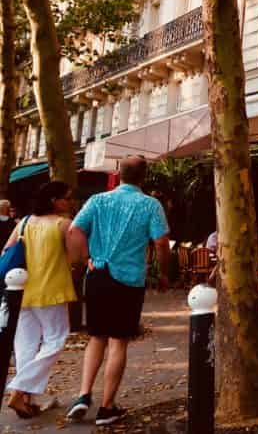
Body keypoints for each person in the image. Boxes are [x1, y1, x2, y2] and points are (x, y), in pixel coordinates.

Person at [65, 156, 170, 426]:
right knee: (118, 341)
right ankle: (106, 407)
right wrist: (164, 272)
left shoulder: (98, 201)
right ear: (143, 177)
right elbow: (160, 242)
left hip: (98, 274)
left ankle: (83, 395)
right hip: (128, 279)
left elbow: (75, 229)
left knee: (96, 337)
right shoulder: (150, 205)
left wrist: (86, 258)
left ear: (119, 174)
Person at [4, 182, 78, 418]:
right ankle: (18, 390)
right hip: (53, 290)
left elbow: (6, 251)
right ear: (54, 200)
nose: (70, 202)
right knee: (55, 339)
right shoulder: (63, 224)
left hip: (22, 290)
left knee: (25, 345)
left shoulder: (25, 222)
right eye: (67, 198)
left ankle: (25, 401)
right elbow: (76, 257)